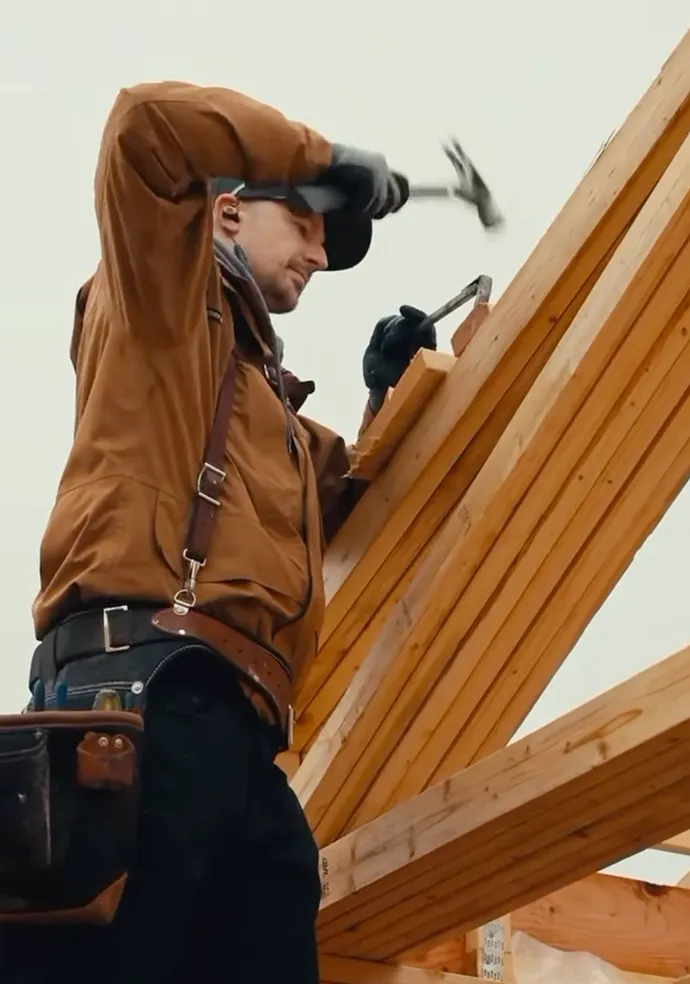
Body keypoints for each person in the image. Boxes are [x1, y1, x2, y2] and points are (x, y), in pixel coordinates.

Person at [0, 81, 437, 984]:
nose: (322, 250)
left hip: (237, 738)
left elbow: (336, 504)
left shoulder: (266, 409)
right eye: (312, 221)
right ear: (228, 210)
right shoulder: (159, 300)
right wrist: (322, 158)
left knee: (275, 922)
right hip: (146, 702)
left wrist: (385, 394)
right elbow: (146, 125)